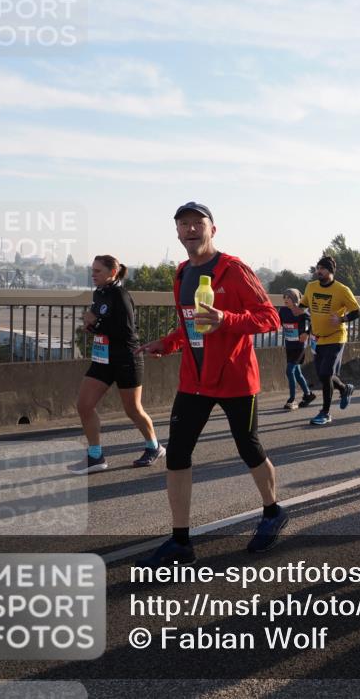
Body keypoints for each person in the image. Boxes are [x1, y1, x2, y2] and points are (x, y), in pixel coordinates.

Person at [135, 202, 285, 566]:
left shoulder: (234, 270)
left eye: (197, 223)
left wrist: (226, 319)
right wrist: (167, 343)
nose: (190, 229)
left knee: (248, 447)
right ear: (177, 232)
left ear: (212, 230)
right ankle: (180, 541)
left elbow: (270, 319)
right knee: (178, 454)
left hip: (235, 378)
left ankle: (272, 512)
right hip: (194, 379)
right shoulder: (182, 272)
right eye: (183, 224)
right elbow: (189, 323)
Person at [72, 255, 162, 473]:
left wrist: (95, 323)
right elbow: (100, 324)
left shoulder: (120, 295)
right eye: (92, 271)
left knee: (132, 409)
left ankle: (154, 447)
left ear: (113, 272)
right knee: (84, 405)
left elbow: (125, 332)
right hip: (103, 359)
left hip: (126, 358)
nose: (93, 275)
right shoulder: (99, 293)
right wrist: (92, 325)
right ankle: (95, 456)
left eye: (98, 271)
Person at [300, 256, 360, 426]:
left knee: (326, 373)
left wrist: (342, 319)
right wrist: (292, 310)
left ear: (331, 271)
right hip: (318, 338)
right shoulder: (310, 286)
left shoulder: (342, 290)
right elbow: (303, 305)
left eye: (323, 268)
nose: (318, 271)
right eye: (317, 268)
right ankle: (344, 388)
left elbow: (357, 312)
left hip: (336, 336)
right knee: (323, 374)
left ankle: (325, 412)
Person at [279, 288, 315, 410]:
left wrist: (306, 333)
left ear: (295, 299)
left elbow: (310, 321)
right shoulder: (283, 311)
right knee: (298, 373)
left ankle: (292, 399)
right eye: (284, 297)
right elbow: (277, 322)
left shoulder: (301, 311)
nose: (285, 300)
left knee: (290, 371)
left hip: (299, 346)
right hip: (289, 345)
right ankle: (308, 394)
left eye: (288, 298)